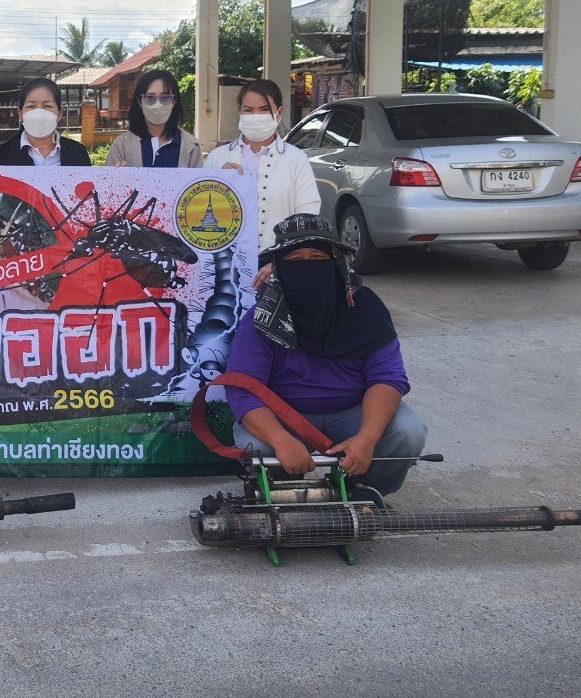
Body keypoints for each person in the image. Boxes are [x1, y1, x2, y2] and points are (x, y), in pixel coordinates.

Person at [223, 214, 426, 498]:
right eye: (295, 260)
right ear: (279, 267)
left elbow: (388, 377)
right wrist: (281, 440)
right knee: (255, 445)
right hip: (287, 417)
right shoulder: (261, 319)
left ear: (336, 264)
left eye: (318, 257)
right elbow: (242, 389)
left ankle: (367, 490)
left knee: (408, 431)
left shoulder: (367, 311)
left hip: (352, 413)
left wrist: (367, 439)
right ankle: (277, 489)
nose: (308, 267)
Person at [203, 78, 319, 286]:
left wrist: (279, 263)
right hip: (224, 268)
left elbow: (307, 220)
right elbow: (197, 214)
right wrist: (218, 182)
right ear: (239, 112)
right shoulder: (217, 158)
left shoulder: (296, 159)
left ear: (279, 113)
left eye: (264, 109)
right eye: (249, 110)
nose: (256, 116)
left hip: (280, 267)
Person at [104, 69, 204, 168]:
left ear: (173, 101)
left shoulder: (191, 147)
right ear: (140, 101)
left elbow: (198, 183)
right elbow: (106, 182)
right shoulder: (122, 145)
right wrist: (117, 177)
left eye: (165, 98)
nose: (157, 104)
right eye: (150, 97)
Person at [0, 78, 91, 166]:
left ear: (59, 114)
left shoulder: (78, 152)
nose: (39, 113)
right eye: (31, 106)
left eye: (47, 106)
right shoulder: (2, 154)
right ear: (20, 114)